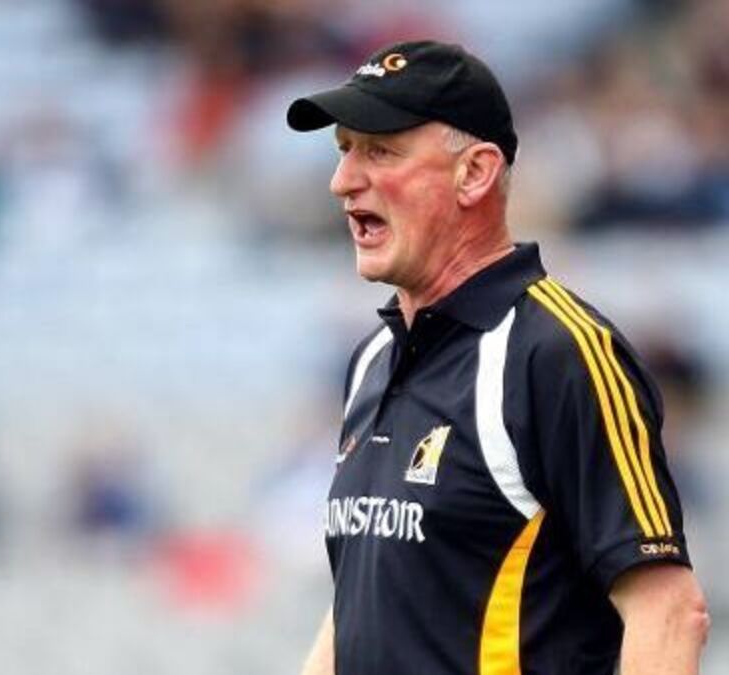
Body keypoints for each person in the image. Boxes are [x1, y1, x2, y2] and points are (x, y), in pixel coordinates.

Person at [286, 40, 709, 675]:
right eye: (344, 150)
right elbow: (360, 599)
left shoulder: (558, 352)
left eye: (380, 151)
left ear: (475, 173)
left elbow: (669, 612)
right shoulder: (374, 358)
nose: (342, 181)